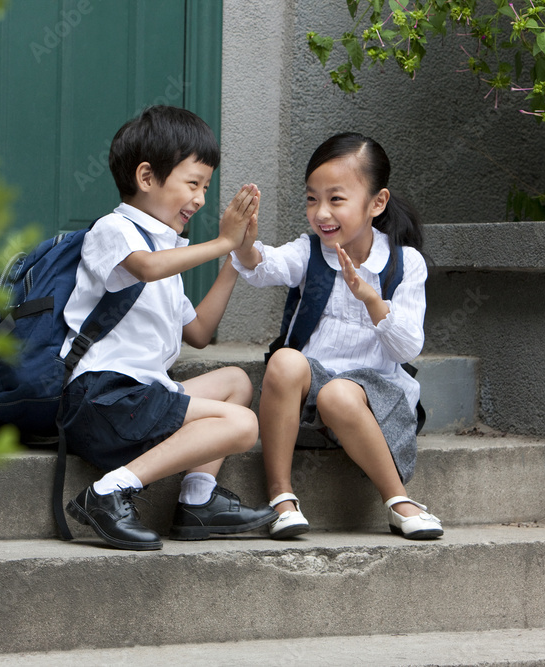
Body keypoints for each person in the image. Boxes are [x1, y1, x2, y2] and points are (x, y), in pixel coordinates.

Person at [61, 105, 277, 551]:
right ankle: (107, 492)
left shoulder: (165, 251)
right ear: (146, 177)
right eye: (193, 183)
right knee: (242, 424)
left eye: (205, 187)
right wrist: (218, 241)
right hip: (104, 399)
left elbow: (197, 333)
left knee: (236, 382)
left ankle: (198, 501)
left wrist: (234, 258)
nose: (200, 199)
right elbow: (146, 268)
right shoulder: (114, 229)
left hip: (141, 398)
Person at [230, 132, 443, 540]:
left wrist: (370, 298)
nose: (321, 212)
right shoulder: (309, 252)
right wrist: (243, 245)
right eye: (312, 199)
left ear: (377, 203)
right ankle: (281, 498)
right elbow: (264, 267)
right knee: (285, 360)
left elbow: (407, 347)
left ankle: (398, 501)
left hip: (373, 400)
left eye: (336, 199)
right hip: (309, 398)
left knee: (340, 393)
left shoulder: (404, 263)